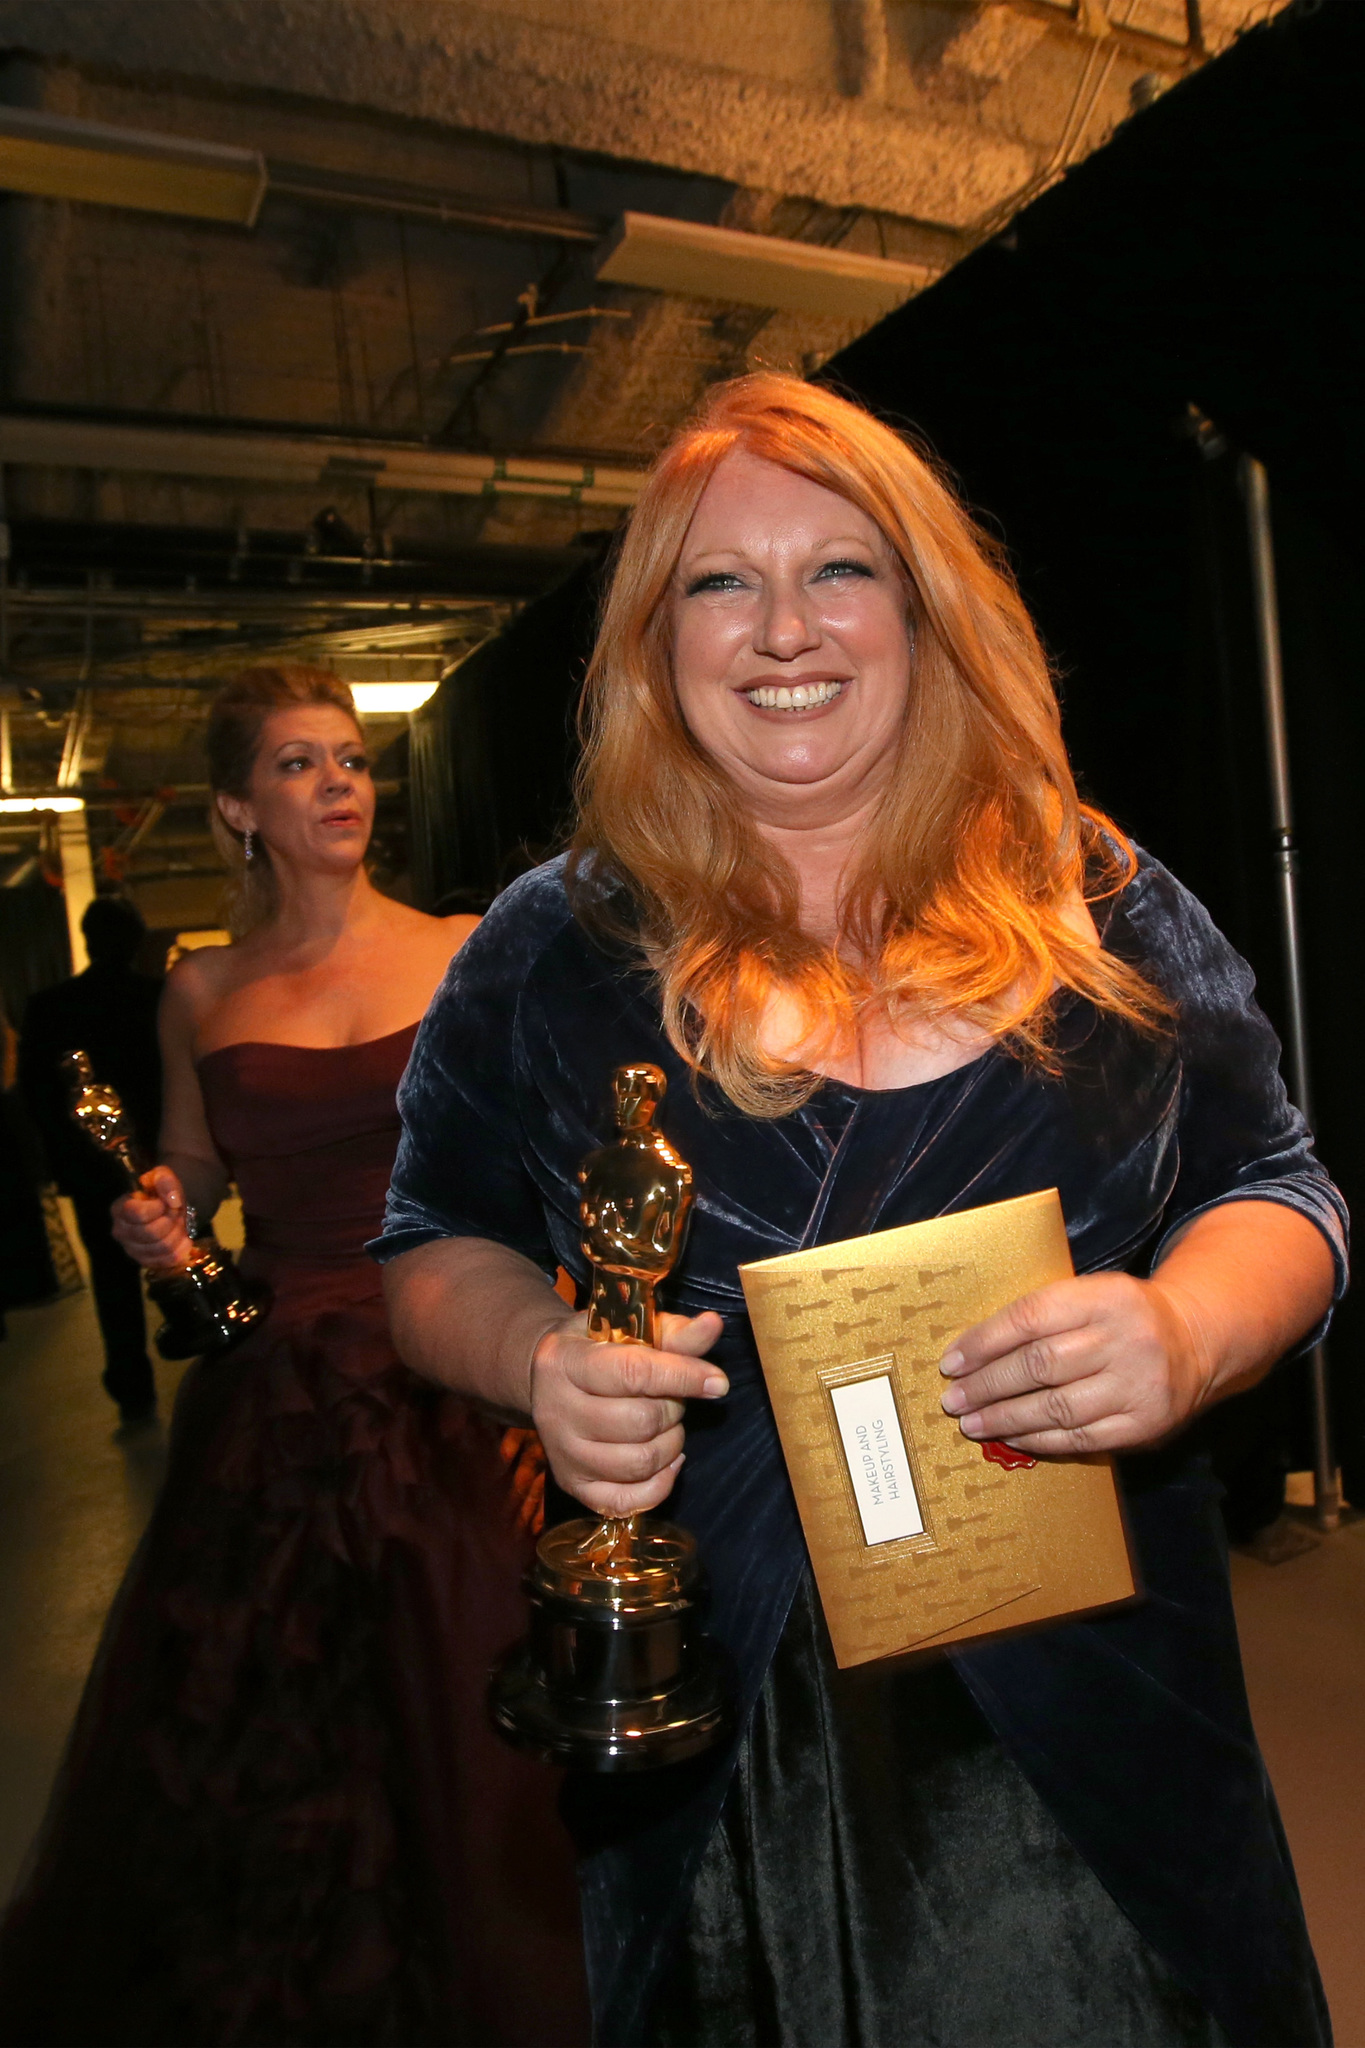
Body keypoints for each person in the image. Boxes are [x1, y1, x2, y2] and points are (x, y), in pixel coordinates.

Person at [374, 376, 1346, 2048]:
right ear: (653, 640)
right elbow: (428, 1245)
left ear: (924, 605)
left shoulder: (1096, 895)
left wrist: (1191, 1328)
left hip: (1098, 1702)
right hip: (729, 1736)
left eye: (839, 568)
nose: (780, 629)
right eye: (718, 582)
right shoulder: (551, 946)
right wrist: (539, 1355)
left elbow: (1282, 1187)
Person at [0, 664, 589, 2048]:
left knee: (477, 1708)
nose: (339, 784)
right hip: (284, 1398)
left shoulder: (460, 946)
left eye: (350, 758)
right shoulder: (201, 989)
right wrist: (160, 1214)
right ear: (235, 810)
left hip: (456, 1368)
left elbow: (536, 1160)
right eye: (297, 764)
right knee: (282, 1749)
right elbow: (194, 1167)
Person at [17, 895, 163, 1418]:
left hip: (91, 1170)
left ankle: (131, 1382)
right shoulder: (157, 998)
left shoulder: (52, 1007)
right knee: (185, 1255)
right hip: (162, 1160)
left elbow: (36, 1095)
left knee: (112, 1277)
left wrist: (61, 1160)